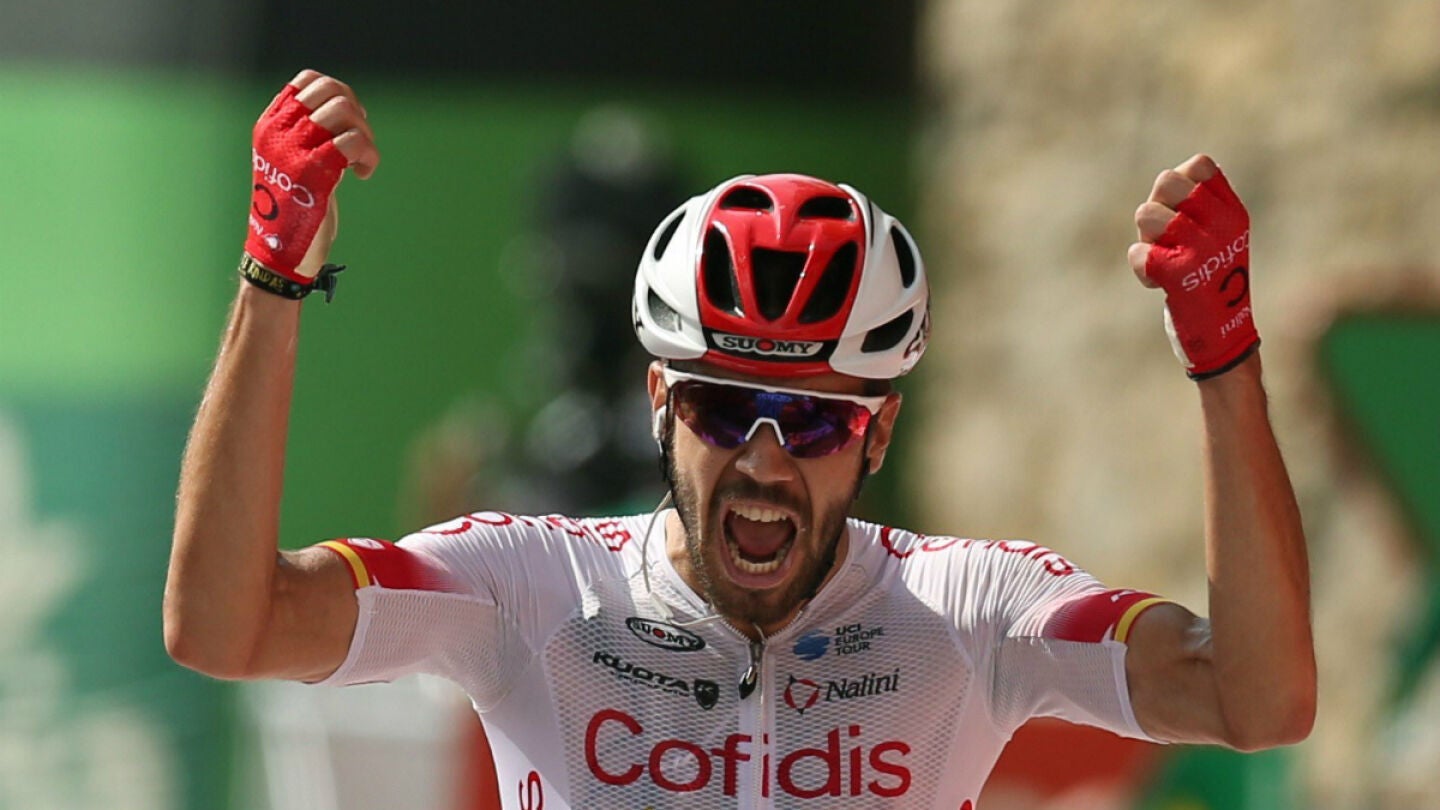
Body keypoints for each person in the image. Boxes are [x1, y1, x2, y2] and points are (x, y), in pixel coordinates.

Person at [165, 71, 1316, 809]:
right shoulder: (532, 586)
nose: (766, 460)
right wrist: (273, 278)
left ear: (878, 431)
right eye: (723, 411)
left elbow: (1256, 701)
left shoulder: (967, 613)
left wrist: (1225, 365)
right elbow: (227, 625)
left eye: (814, 419)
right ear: (658, 403)